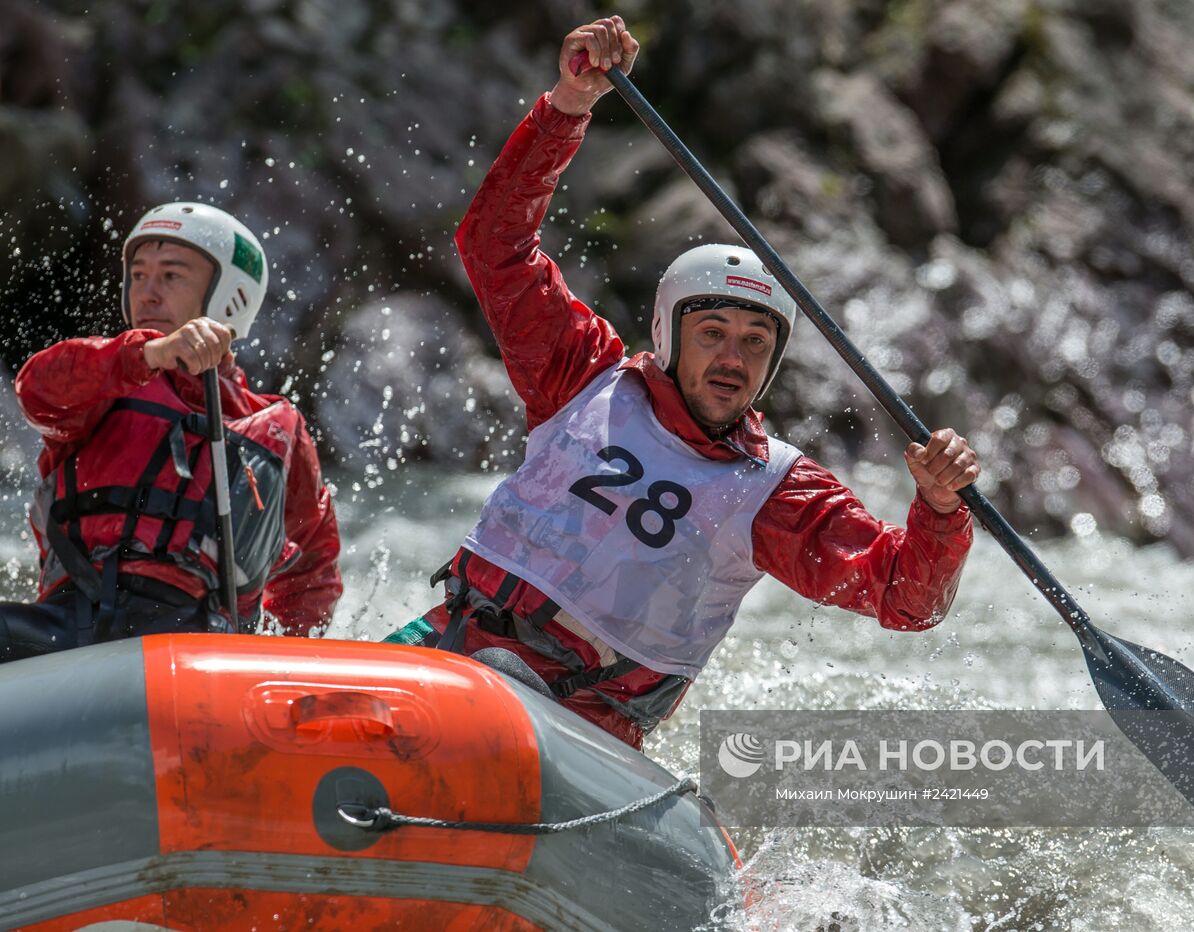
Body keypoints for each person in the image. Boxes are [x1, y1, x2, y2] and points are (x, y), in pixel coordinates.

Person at [394, 18, 979, 750]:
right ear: (670, 335)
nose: (734, 358)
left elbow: (906, 597)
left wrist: (940, 507)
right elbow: (494, 246)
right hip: (450, 650)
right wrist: (570, 104)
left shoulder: (778, 494)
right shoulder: (580, 375)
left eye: (756, 343)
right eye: (714, 335)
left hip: (580, 731)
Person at [0, 202, 342, 660]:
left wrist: (288, 666)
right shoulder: (103, 378)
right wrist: (150, 355)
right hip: (68, 622)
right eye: (138, 276)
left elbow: (311, 573)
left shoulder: (275, 430)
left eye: (171, 276)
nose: (148, 293)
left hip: (197, 645)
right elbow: (36, 390)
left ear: (229, 297)